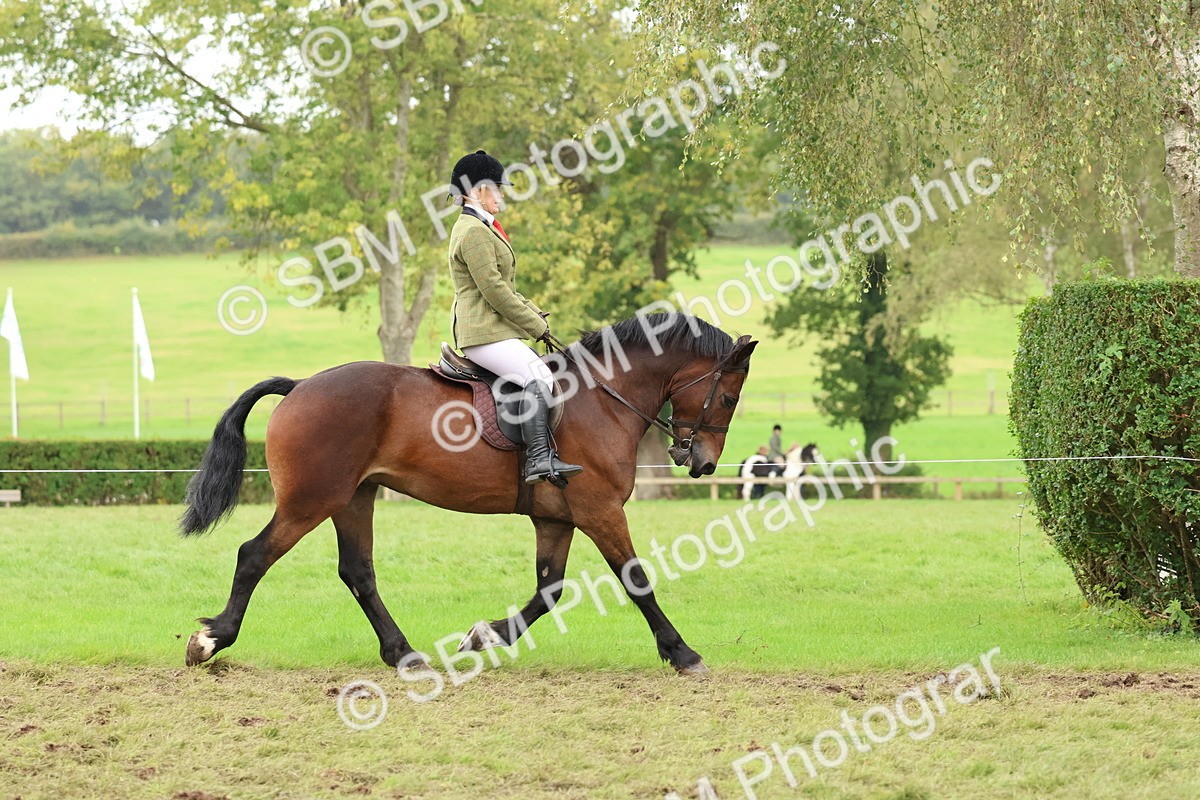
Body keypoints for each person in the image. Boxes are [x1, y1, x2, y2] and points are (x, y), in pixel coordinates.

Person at [446, 149, 582, 486]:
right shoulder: (474, 231)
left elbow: (504, 286)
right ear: (477, 191)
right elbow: (493, 289)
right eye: (497, 188)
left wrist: (534, 311)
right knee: (541, 378)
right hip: (483, 333)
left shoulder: (479, 227)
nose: (502, 196)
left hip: (493, 330)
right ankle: (538, 459)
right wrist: (534, 326)